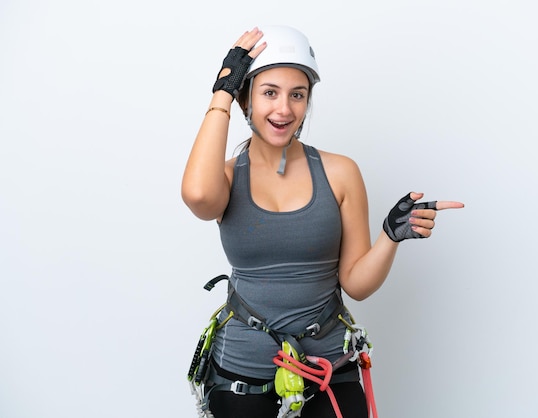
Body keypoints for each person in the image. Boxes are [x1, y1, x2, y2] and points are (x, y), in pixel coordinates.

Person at [182, 25, 464, 418]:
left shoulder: (340, 172)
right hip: (242, 368)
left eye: (297, 95)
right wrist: (223, 92)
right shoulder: (226, 178)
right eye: (269, 93)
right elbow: (197, 197)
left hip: (329, 368)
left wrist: (389, 237)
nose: (284, 109)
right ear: (247, 99)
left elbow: (356, 284)